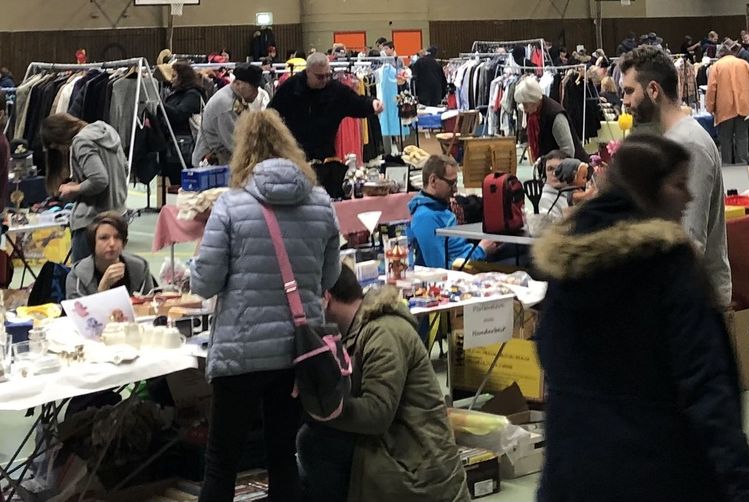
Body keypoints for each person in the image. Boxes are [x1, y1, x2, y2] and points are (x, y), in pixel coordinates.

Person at [531, 133, 749, 502]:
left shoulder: (566, 266)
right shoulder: (668, 268)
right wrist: (745, 484)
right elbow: (707, 384)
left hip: (573, 471)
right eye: (678, 184)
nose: (689, 197)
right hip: (658, 472)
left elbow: (548, 352)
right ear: (649, 189)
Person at [191, 109, 341, 502]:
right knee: (283, 457)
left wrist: (198, 262)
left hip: (240, 352)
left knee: (221, 463)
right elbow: (329, 279)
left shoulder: (230, 205)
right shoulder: (321, 202)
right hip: (297, 352)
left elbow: (204, 283)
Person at [297, 264, 469, 502]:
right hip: (403, 451)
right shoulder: (355, 332)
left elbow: (377, 414)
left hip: (417, 466)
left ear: (325, 298)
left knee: (313, 443)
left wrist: (317, 408)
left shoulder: (384, 332)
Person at [620, 45, 731, 306]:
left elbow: (689, 241)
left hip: (696, 304)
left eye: (629, 91)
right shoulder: (670, 142)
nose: (624, 102)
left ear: (653, 91)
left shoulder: (689, 145)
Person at [268, 52, 382, 196]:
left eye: (328, 75)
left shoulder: (335, 89)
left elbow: (355, 102)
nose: (325, 80)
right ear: (308, 71)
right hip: (295, 159)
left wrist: (372, 104)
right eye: (320, 76)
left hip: (326, 158)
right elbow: (271, 114)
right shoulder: (290, 88)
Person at [40, 113, 127, 262]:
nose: (60, 151)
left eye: (56, 146)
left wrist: (74, 189)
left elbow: (100, 180)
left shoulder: (81, 142)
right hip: (117, 215)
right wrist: (80, 184)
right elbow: (124, 168)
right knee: (111, 274)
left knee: (82, 278)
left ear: (60, 136)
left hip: (91, 222)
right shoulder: (106, 132)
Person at [407, 155, 496, 268]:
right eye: (451, 184)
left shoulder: (438, 207)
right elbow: (440, 270)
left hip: (470, 259)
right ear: (433, 181)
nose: (455, 190)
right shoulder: (425, 218)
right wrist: (481, 250)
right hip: (465, 270)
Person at [65, 212, 157, 299]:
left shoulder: (140, 268)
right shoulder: (77, 276)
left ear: (124, 243)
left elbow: (149, 306)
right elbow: (79, 313)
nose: (112, 243)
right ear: (93, 243)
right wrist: (103, 287)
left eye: (117, 237)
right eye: (104, 238)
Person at [193, 63, 269, 167]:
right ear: (238, 84)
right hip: (210, 166)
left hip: (222, 161)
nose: (257, 93)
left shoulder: (235, 97)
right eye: (253, 88)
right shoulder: (226, 105)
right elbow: (236, 145)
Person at [706, 40, 749, 164]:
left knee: (725, 141)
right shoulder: (743, 63)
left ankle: (728, 169)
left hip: (724, 109)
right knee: (742, 139)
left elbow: (712, 88)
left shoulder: (717, 66)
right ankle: (743, 168)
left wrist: (710, 108)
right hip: (744, 107)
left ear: (720, 55)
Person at [514, 76, 588, 162]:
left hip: (573, 168)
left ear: (534, 100)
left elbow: (568, 150)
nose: (524, 109)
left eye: (525, 104)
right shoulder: (534, 114)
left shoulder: (555, 116)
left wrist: (556, 171)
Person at [162, 62, 206, 177]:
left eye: (174, 76)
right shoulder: (177, 94)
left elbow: (180, 114)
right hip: (174, 145)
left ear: (183, 77)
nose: (171, 79)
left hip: (183, 147)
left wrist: (160, 106)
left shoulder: (193, 95)